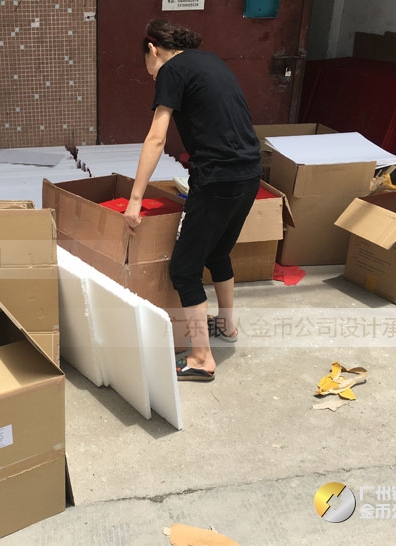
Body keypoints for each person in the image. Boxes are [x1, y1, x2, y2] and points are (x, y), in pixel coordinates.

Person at [124, 19, 262, 383]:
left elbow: (156, 139)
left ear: (153, 50)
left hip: (217, 179)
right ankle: (227, 326)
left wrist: (135, 199)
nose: (151, 73)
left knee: (184, 270)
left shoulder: (171, 70)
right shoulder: (210, 60)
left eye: (147, 64)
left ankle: (201, 357)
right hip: (250, 173)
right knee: (217, 253)